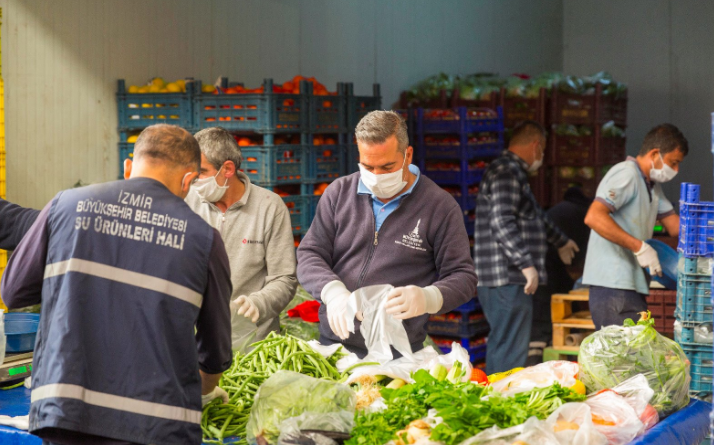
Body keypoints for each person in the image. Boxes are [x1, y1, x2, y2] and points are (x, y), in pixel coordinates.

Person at [0, 124, 233, 445]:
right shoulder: (204, 239)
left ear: (128, 166)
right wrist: (206, 389)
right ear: (188, 181)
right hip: (159, 425)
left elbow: (13, 291)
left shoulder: (65, 206)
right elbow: (216, 347)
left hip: (67, 415)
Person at [297, 110, 478, 357]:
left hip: (398, 353)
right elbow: (309, 254)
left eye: (387, 166)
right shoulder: (339, 193)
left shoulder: (439, 206)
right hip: (335, 346)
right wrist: (333, 292)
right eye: (367, 166)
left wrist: (429, 297)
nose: (377, 176)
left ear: (407, 154)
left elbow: (463, 277)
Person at [473, 120, 578, 375]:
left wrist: (561, 241)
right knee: (510, 347)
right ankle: (500, 401)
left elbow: (534, 217)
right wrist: (526, 264)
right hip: (506, 277)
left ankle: (497, 396)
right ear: (536, 146)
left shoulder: (514, 173)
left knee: (507, 342)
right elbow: (502, 220)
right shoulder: (507, 172)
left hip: (507, 278)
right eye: (542, 150)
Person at [185, 127, 298, 352]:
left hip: (254, 343)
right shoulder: (186, 202)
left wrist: (259, 302)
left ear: (227, 169)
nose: (194, 180)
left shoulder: (269, 207)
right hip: (196, 341)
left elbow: (284, 278)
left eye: (201, 173)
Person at [583, 123, 687, 329]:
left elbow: (675, 226)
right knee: (623, 357)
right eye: (673, 163)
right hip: (613, 286)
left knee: (634, 356)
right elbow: (594, 217)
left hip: (631, 287)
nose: (676, 170)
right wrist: (639, 247)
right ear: (655, 154)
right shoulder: (626, 174)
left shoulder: (652, 186)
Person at [528, 186, 592, 364]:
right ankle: (542, 361)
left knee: (544, 315)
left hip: (543, 263)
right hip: (548, 265)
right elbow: (583, 252)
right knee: (548, 314)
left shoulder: (562, 209)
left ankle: (538, 361)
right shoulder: (583, 214)